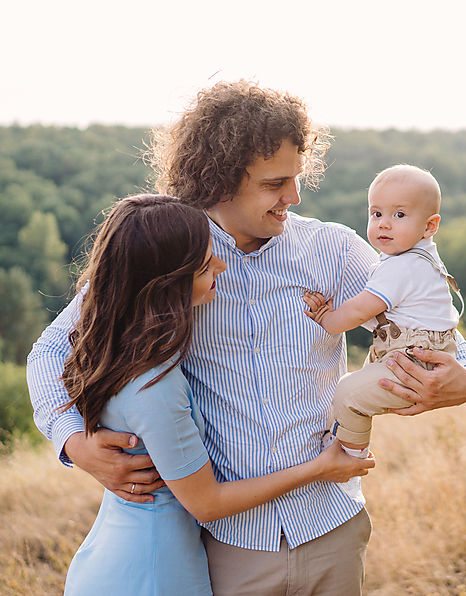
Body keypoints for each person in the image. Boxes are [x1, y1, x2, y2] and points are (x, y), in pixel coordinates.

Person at [27, 80, 466, 595]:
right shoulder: (173, 255)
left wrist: (465, 378)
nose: (294, 196)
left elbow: (426, 311)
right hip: (226, 542)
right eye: (274, 183)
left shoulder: (332, 248)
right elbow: (51, 350)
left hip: (332, 523)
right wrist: (72, 441)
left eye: (297, 178)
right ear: (219, 178)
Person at [58, 194, 373, 595]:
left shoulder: (120, 349)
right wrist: (319, 468)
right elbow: (206, 502)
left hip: (135, 550)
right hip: (154, 569)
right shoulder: (155, 386)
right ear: (165, 283)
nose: (222, 266)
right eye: (206, 265)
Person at [302, 164, 462, 459]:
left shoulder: (401, 267)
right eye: (376, 213)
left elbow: (362, 308)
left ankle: (350, 454)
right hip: (424, 353)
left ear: (430, 226)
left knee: (348, 392)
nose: (384, 224)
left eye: (399, 215)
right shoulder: (419, 257)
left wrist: (328, 318)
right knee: (358, 391)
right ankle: (348, 439)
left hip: (416, 360)